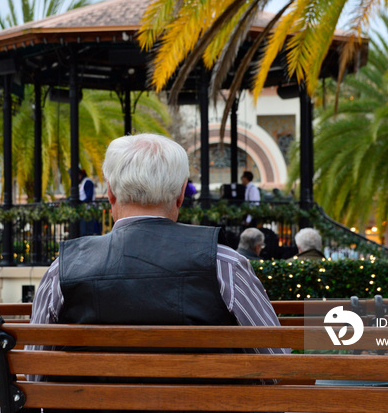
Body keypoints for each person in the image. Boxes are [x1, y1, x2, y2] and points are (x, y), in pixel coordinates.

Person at [31, 134, 286, 357]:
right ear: (180, 195)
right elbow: (278, 357)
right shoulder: (225, 264)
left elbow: (34, 370)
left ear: (110, 193)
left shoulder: (62, 269)